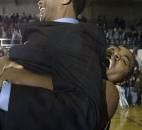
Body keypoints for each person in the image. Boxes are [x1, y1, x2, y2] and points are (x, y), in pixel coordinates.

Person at [0, 0, 134, 130]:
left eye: (124, 60)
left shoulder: (108, 91)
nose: (116, 54)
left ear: (122, 81)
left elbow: (74, 116)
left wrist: (17, 79)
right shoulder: (72, 60)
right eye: (115, 48)